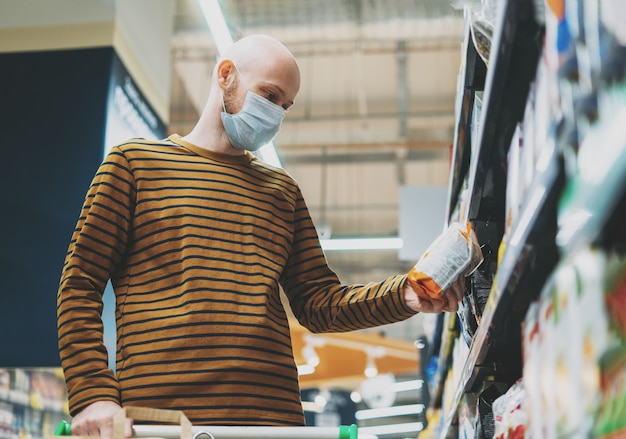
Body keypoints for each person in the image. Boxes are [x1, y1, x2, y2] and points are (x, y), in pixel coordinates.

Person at [57, 34, 465, 437]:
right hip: (161, 421)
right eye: (269, 95)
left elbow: (320, 304)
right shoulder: (134, 165)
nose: (276, 114)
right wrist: (93, 394)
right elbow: (80, 285)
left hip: (272, 423)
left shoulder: (282, 192)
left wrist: (405, 295)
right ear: (225, 75)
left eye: (285, 106)